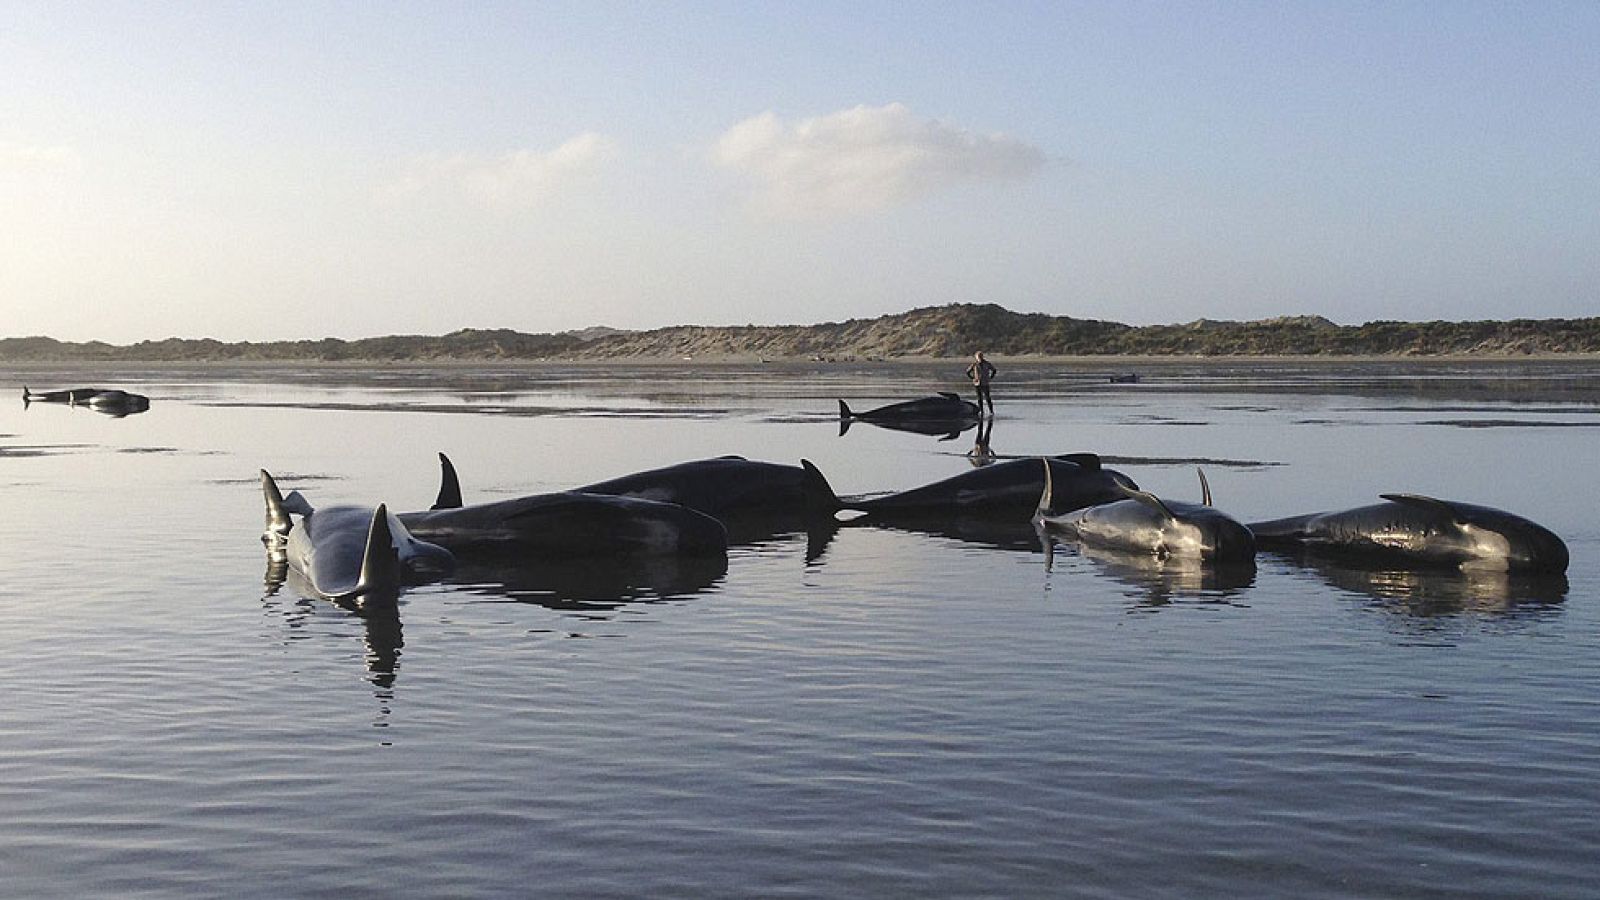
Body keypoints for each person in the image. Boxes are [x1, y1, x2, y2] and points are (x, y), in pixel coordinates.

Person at [965, 351, 997, 416]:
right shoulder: (974, 364)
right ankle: (982, 411)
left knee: (988, 398)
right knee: (979, 398)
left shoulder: (987, 364)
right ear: (976, 357)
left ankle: (991, 411)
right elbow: (967, 372)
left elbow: (994, 370)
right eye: (978, 357)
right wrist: (973, 378)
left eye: (980, 356)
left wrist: (991, 377)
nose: (979, 358)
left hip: (985, 383)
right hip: (977, 383)